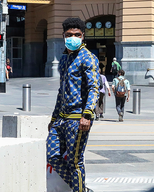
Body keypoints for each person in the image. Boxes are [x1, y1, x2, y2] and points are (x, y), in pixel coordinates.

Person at [46, 17, 99, 192]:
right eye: (69, 34)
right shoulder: (64, 58)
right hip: (61, 119)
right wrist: (54, 118)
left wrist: (87, 114)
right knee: (52, 156)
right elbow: (61, 91)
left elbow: (93, 88)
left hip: (77, 119)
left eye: (77, 34)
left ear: (83, 36)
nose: (73, 37)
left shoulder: (88, 58)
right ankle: (82, 189)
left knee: (75, 161)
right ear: (63, 36)